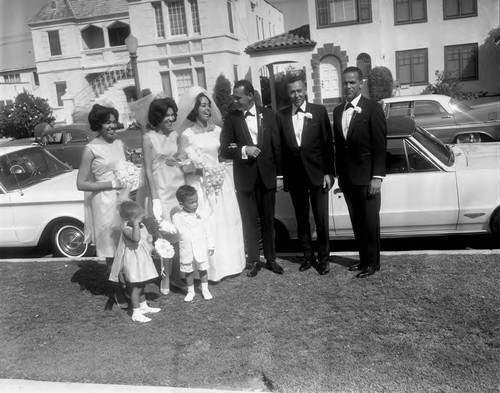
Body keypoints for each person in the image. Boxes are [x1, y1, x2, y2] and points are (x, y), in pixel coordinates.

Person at [176, 86, 246, 282]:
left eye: (209, 106)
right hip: (201, 183)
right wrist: (196, 168)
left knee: (225, 221)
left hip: (219, 181)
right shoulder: (187, 135)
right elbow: (181, 163)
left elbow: (224, 153)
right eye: (203, 106)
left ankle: (231, 264)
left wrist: (218, 170)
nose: (208, 110)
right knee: (209, 223)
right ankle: (210, 270)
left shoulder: (217, 130)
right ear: (194, 110)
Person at [220, 80, 282, 278]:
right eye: (234, 97)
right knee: (249, 221)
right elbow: (224, 149)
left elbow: (277, 146)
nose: (235, 101)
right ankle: (254, 260)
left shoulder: (269, 114)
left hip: (267, 176)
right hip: (245, 178)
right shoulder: (231, 119)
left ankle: (271, 259)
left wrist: (279, 175)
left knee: (268, 220)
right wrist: (243, 150)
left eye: (238, 97)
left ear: (250, 95)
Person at [276, 74, 335, 276]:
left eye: (299, 91)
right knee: (302, 219)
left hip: (318, 173)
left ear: (305, 90)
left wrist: (329, 172)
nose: (296, 95)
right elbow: (281, 149)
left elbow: (327, 145)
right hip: (295, 177)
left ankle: (324, 259)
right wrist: (283, 175)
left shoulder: (318, 111)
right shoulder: (281, 115)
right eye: (292, 92)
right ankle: (308, 257)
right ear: (288, 93)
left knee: (321, 218)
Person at [332, 66, 387, 278]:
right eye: (345, 82)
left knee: (370, 223)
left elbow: (380, 146)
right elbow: (340, 147)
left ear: (360, 83)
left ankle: (373, 264)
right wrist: (338, 176)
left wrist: (377, 177)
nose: (348, 86)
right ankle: (363, 260)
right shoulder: (338, 111)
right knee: (357, 223)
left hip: (368, 179)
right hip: (347, 179)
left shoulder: (373, 108)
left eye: (352, 82)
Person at [76, 102, 129, 309]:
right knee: (111, 249)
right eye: (108, 122)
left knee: (126, 243)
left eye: (114, 122)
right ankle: (118, 291)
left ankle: (131, 284)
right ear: (98, 125)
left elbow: (125, 168)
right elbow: (81, 183)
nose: (112, 126)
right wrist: (110, 183)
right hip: (104, 203)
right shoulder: (90, 149)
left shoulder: (119, 143)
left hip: (123, 199)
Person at [136, 95, 185, 295]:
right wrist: (155, 198)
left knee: (179, 232)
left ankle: (177, 276)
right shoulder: (148, 137)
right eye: (167, 116)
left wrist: (182, 161)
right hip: (160, 190)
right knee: (165, 234)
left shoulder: (176, 135)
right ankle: (166, 276)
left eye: (173, 115)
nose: (171, 119)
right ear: (158, 117)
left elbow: (181, 158)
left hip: (177, 187)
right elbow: (147, 169)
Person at [109, 201, 160, 323]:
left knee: (142, 284)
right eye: (137, 217)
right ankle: (136, 312)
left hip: (142, 261)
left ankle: (143, 306)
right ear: (128, 219)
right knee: (136, 287)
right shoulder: (126, 230)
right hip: (134, 263)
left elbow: (145, 241)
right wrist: (136, 224)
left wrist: (151, 243)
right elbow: (136, 239)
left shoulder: (142, 227)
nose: (140, 219)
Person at [172, 185, 214, 302]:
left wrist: (211, 245)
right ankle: (191, 291)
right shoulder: (177, 217)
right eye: (191, 202)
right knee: (188, 270)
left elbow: (208, 231)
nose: (195, 204)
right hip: (186, 248)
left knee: (202, 268)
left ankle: (205, 289)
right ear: (182, 203)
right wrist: (164, 226)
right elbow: (175, 230)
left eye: (196, 201)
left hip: (201, 247)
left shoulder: (202, 214)